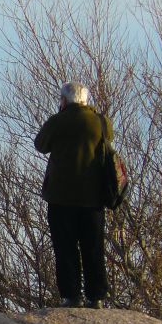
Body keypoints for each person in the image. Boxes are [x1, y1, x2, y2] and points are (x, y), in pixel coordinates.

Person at [34, 82, 110, 309]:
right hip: (93, 198)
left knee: (65, 247)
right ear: (86, 101)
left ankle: (71, 296)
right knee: (93, 247)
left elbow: (40, 145)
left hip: (61, 197)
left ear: (64, 101)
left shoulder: (58, 121)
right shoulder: (100, 122)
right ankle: (96, 296)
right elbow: (109, 138)